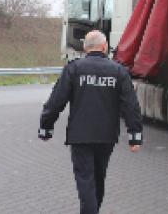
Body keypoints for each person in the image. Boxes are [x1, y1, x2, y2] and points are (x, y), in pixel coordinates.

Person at [39, 30, 142, 214]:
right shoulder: (118, 71)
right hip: (106, 136)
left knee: (85, 180)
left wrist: (46, 126)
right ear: (104, 47)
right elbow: (131, 105)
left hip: (80, 136)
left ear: (85, 48)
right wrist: (135, 136)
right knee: (98, 178)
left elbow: (57, 100)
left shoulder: (74, 69)